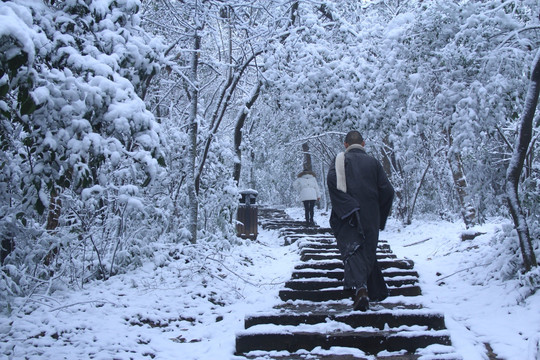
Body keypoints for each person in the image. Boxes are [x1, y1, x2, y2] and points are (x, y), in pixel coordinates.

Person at [327, 131, 394, 311]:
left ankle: (361, 289)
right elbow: (388, 191)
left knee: (353, 250)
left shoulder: (339, 161)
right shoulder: (374, 163)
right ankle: (372, 290)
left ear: (345, 145)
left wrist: (347, 205)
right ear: (363, 144)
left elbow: (332, 181)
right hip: (371, 214)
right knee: (367, 250)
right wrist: (380, 214)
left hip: (348, 213)